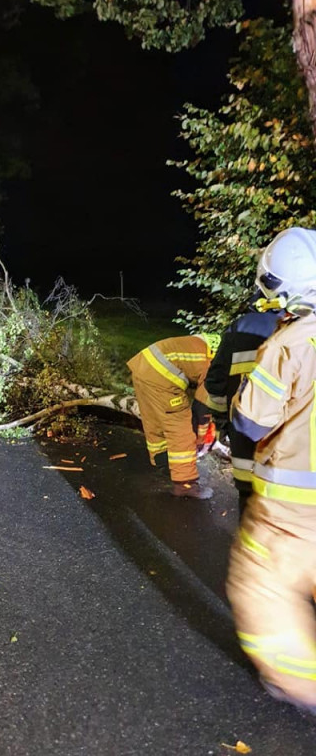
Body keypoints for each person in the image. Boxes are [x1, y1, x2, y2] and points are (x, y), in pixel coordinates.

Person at [227, 226, 316, 714]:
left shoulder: (291, 343)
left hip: (293, 507)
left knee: (263, 584)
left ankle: (299, 682)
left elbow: (251, 420)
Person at [205, 296, 282, 517]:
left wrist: (222, 423)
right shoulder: (302, 328)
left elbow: (216, 382)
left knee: (248, 497)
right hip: (289, 435)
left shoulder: (239, 326)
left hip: (243, 430)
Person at [127, 333, 221, 499]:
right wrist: (200, 433)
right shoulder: (222, 364)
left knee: (155, 421)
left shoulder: (219, 347)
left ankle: (164, 460)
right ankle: (185, 484)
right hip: (162, 373)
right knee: (180, 428)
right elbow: (203, 403)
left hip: (144, 365)